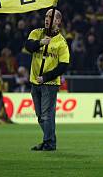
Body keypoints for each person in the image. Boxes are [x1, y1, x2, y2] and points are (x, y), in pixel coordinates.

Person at [23, 8, 70, 151]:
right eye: (46, 16)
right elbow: (28, 46)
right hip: (34, 81)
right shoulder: (36, 33)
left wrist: (46, 77)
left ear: (58, 21)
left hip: (49, 83)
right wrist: (41, 43)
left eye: (51, 16)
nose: (47, 19)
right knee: (40, 116)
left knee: (47, 115)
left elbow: (63, 66)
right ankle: (49, 140)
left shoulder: (61, 42)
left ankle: (49, 143)